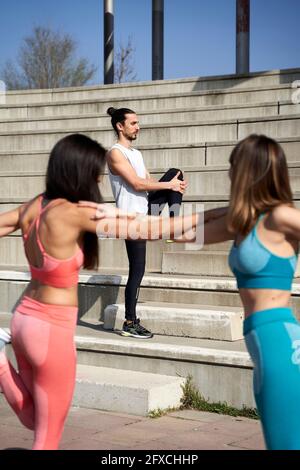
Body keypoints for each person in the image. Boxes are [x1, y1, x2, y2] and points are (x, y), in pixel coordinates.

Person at [0, 133, 200, 450]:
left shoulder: (34, 206)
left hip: (23, 320)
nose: (98, 178)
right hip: (51, 330)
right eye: (95, 172)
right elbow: (147, 227)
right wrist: (208, 227)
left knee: (35, 420)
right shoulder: (76, 212)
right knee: (47, 438)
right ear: (78, 172)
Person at [191, 134, 299, 450]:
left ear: (249, 171)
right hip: (263, 346)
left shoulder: (280, 217)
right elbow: (186, 231)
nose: (229, 174)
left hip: (280, 345)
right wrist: (113, 225)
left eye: (233, 166)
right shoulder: (243, 223)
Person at [106, 106, 188, 339]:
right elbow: (137, 185)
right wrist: (169, 187)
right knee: (137, 271)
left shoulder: (137, 154)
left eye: (138, 123)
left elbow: (149, 182)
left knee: (176, 172)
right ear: (120, 126)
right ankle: (130, 322)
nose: (138, 127)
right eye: (133, 123)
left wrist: (175, 186)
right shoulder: (115, 153)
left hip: (145, 209)